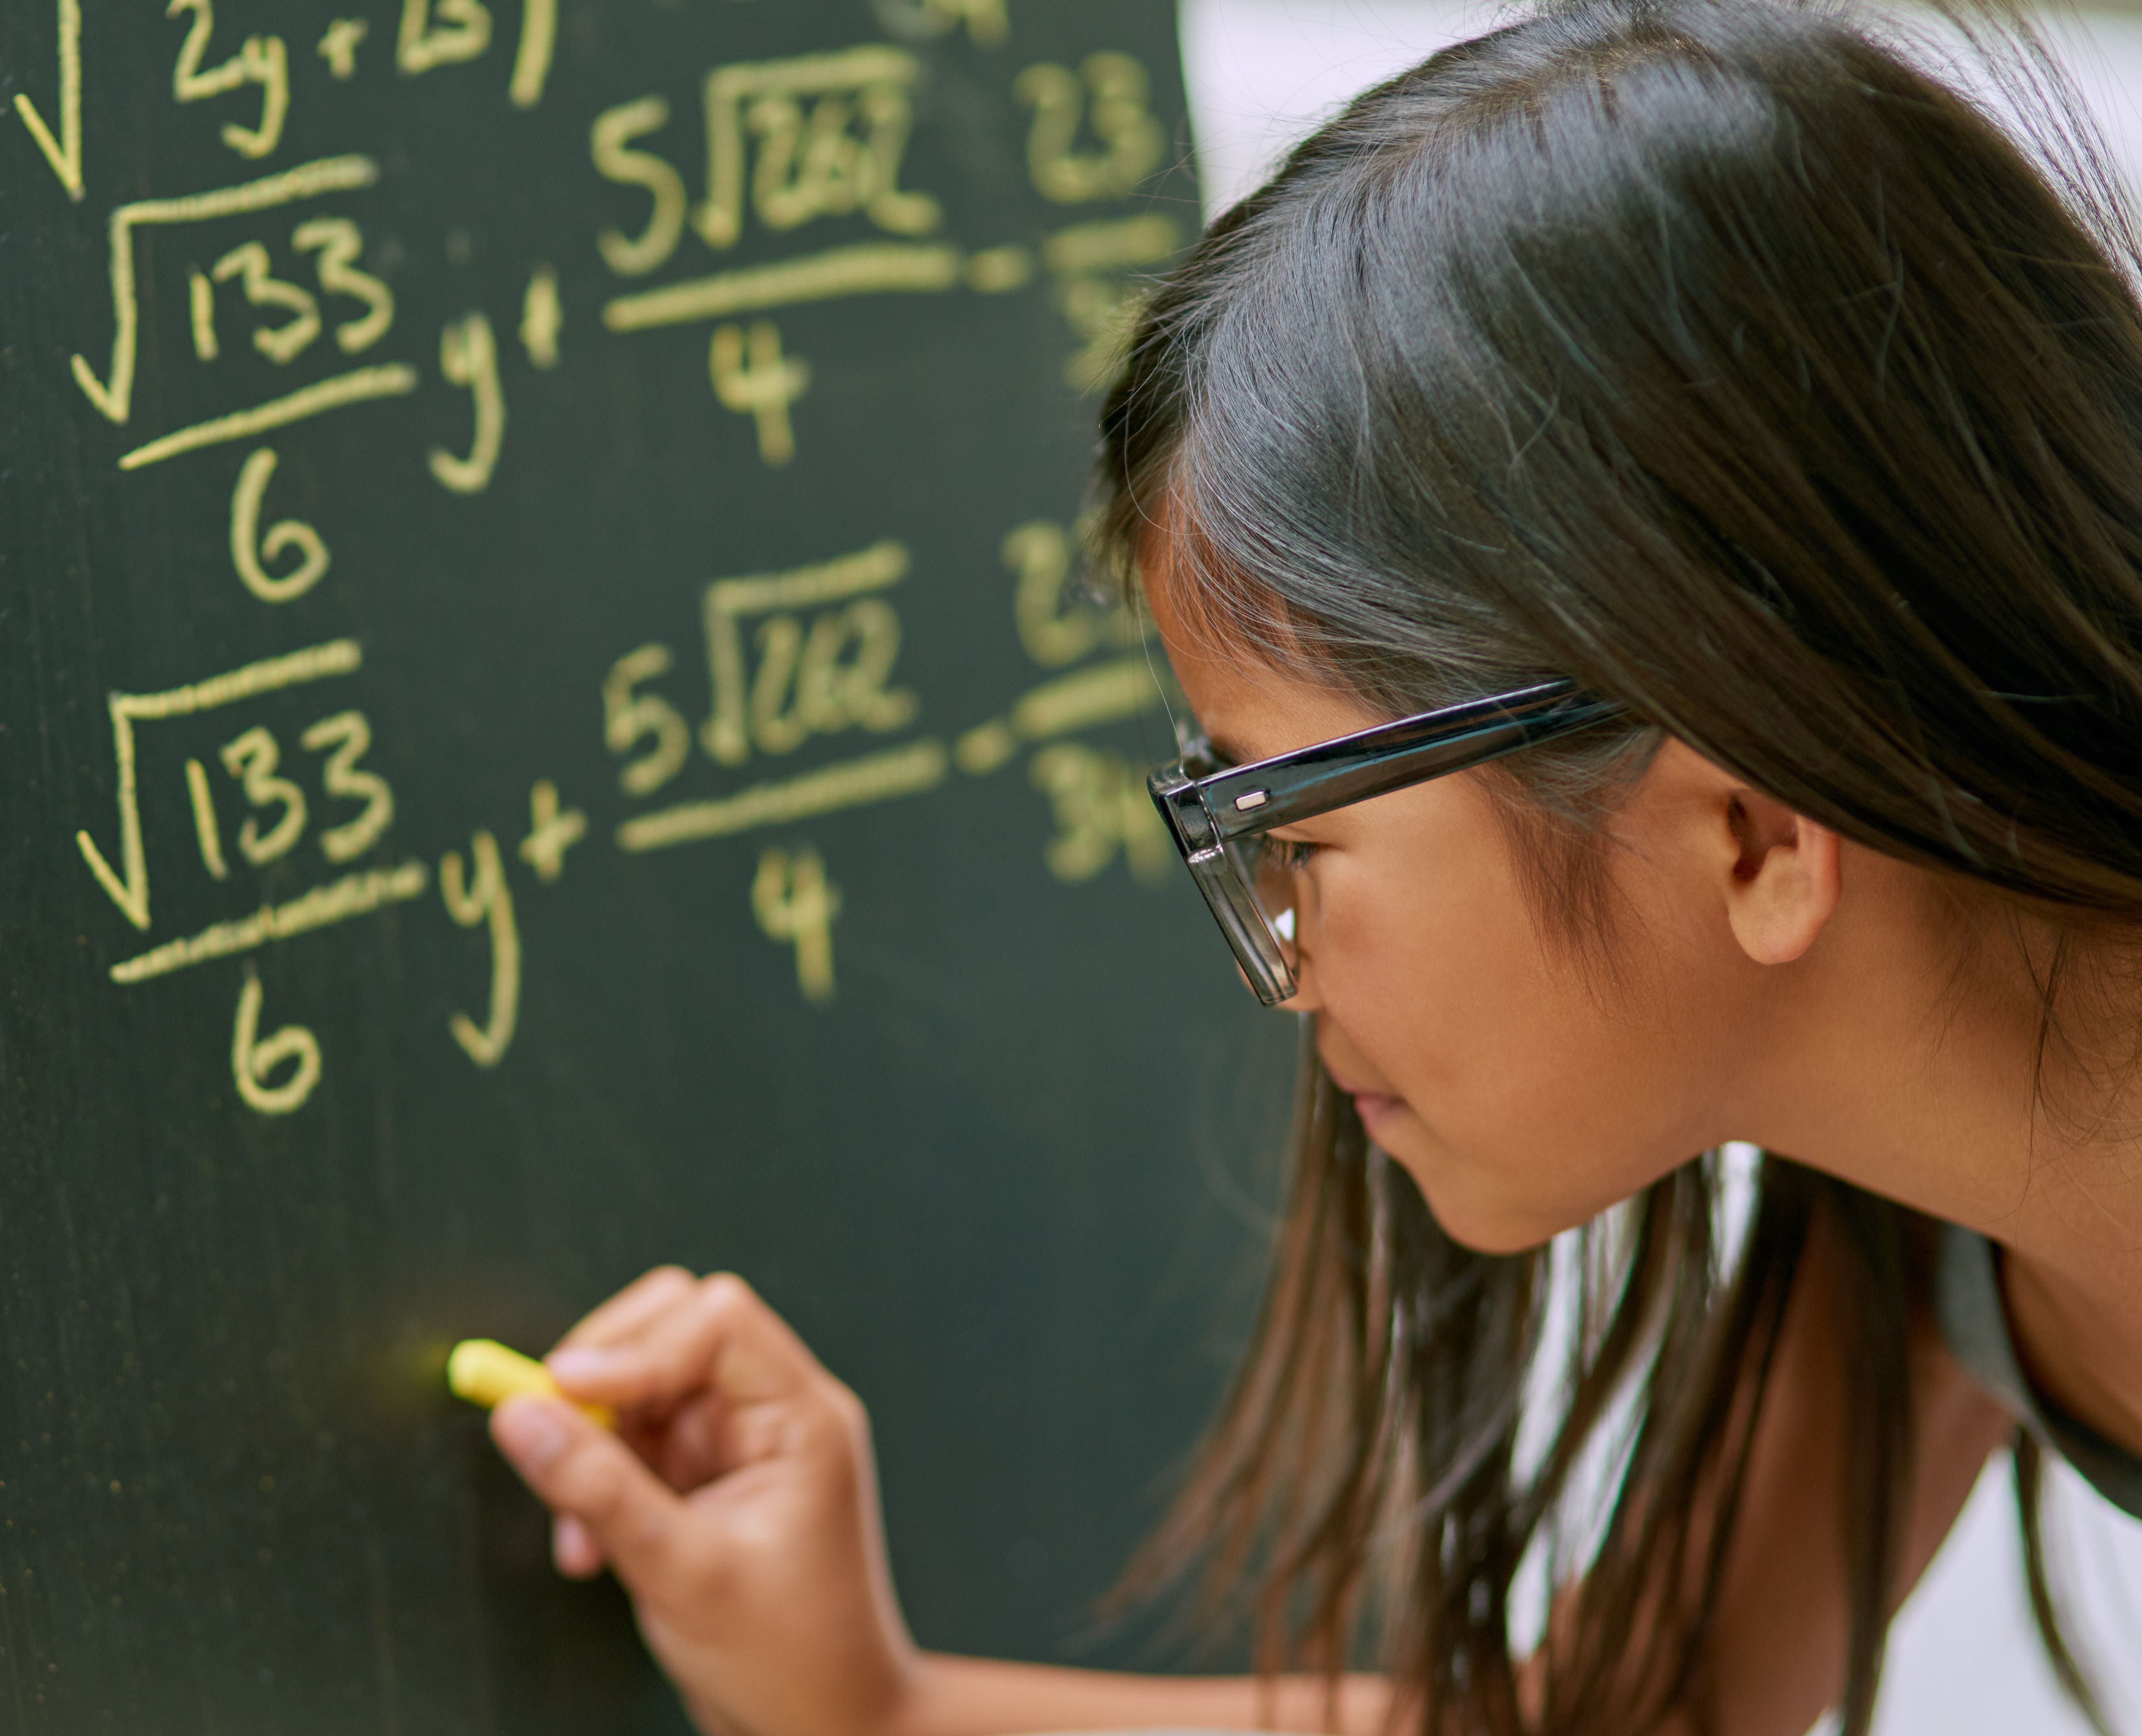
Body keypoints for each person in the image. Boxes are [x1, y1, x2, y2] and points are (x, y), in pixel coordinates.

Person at [483, 1, 2142, 1731]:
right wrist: (873, 1703)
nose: (1280, 955)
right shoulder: (1917, 1200)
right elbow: (1641, 1715)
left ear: (1754, 836)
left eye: (1299, 828)